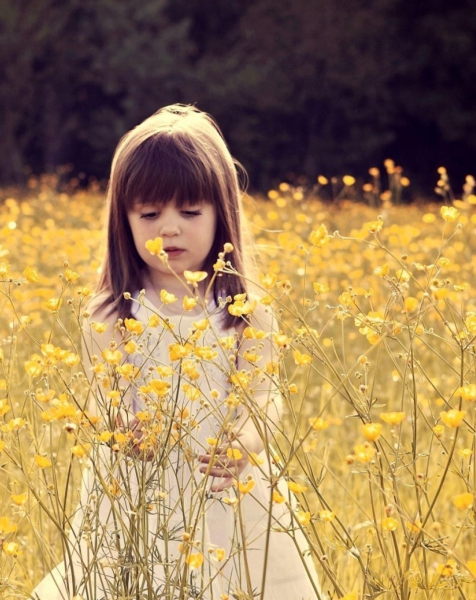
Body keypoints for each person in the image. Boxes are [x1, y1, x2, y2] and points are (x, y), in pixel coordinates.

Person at [31, 105, 321, 600]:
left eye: (190, 212)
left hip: (230, 489)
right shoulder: (112, 313)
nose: (169, 229)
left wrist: (245, 444)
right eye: (149, 214)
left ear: (221, 213)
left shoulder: (246, 309)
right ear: (123, 220)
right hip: (139, 492)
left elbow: (264, 400)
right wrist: (123, 427)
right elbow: (106, 400)